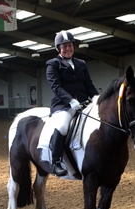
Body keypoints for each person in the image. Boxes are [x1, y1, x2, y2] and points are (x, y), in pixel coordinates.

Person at [45, 30, 99, 176]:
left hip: (83, 103)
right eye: (64, 46)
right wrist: (70, 100)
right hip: (63, 105)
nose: (68, 49)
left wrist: (97, 98)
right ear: (58, 48)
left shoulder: (81, 63)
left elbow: (89, 84)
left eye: (70, 45)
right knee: (63, 126)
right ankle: (56, 162)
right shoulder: (53, 64)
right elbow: (56, 87)